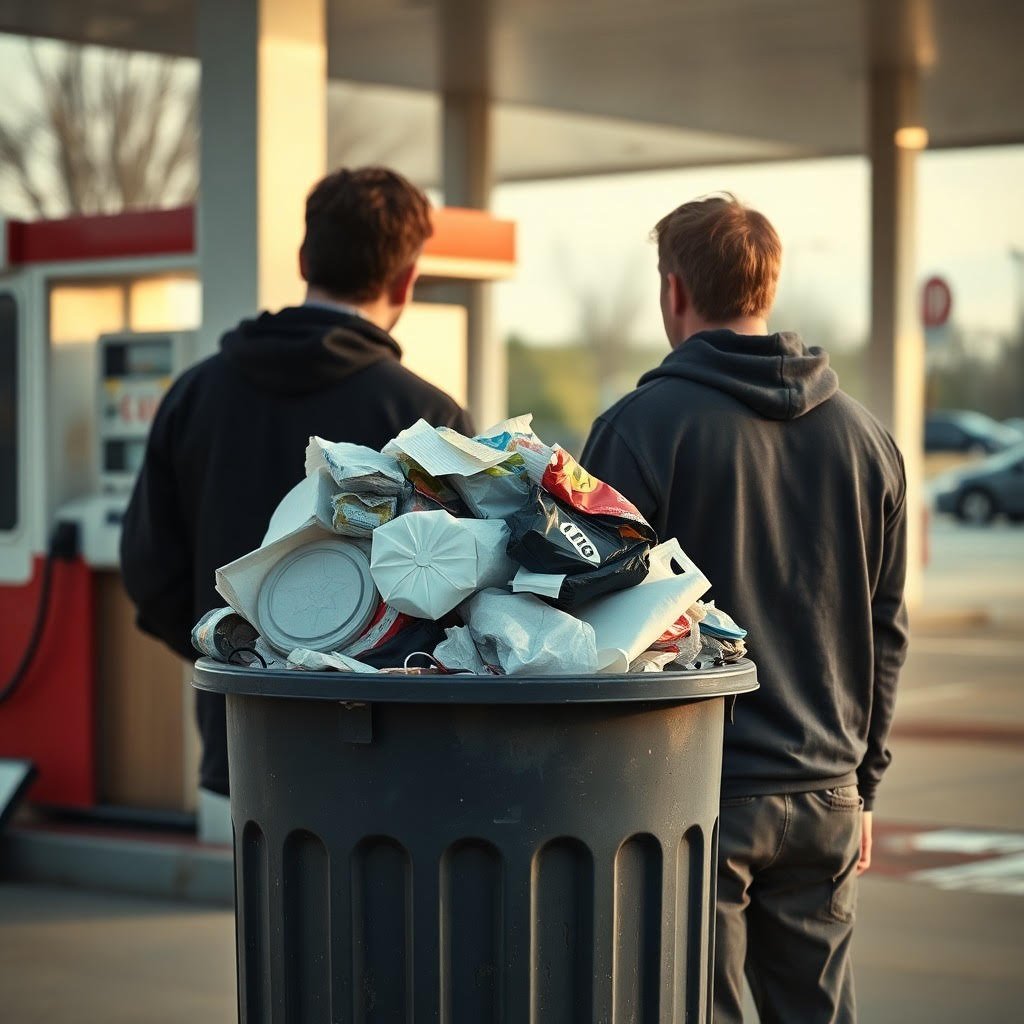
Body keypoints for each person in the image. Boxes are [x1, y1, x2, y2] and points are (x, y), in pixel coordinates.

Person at [581, 194, 907, 1023]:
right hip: (828, 791)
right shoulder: (868, 439)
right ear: (766, 286)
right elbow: (886, 628)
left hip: (692, 794)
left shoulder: (640, 431)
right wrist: (862, 785)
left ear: (674, 290)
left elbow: (587, 624)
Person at [121, 166, 473, 820]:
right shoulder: (429, 419)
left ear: (304, 258)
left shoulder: (194, 396)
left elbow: (149, 572)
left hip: (243, 731)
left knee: (267, 913)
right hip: (391, 743)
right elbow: (466, 591)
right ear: (406, 281)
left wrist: (240, 652)